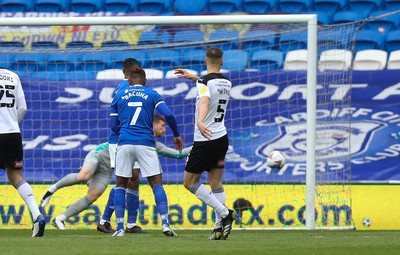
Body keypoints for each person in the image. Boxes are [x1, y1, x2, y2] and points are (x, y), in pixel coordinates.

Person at [110, 67, 183, 237]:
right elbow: (169, 115)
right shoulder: (152, 94)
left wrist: (125, 132)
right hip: (146, 143)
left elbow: (113, 125)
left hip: (125, 143)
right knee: (156, 184)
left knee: (120, 184)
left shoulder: (118, 95)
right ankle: (165, 224)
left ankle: (120, 228)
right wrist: (177, 135)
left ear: (129, 81)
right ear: (145, 81)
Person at [174, 47, 236, 240]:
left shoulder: (204, 82)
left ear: (204, 60)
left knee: (189, 182)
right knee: (215, 182)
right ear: (222, 62)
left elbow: (205, 100)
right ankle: (218, 228)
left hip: (205, 139)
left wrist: (200, 121)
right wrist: (192, 77)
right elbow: (209, 86)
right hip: (222, 138)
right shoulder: (226, 82)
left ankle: (225, 213)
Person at [97, 115, 191, 233]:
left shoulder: (151, 141)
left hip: (133, 141)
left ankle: (130, 224)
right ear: (153, 125)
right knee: (126, 180)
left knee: (133, 180)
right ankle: (104, 221)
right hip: (120, 143)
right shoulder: (137, 131)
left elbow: (178, 154)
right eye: (162, 126)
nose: (164, 129)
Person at [0, 67, 46, 237]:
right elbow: (23, 108)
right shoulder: (13, 76)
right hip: (13, 133)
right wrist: (13, 122)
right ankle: (37, 215)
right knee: (16, 176)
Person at [40, 142, 114, 230]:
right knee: (83, 176)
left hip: (107, 168)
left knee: (93, 196)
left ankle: (59, 219)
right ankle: (51, 189)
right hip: (98, 154)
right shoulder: (128, 134)